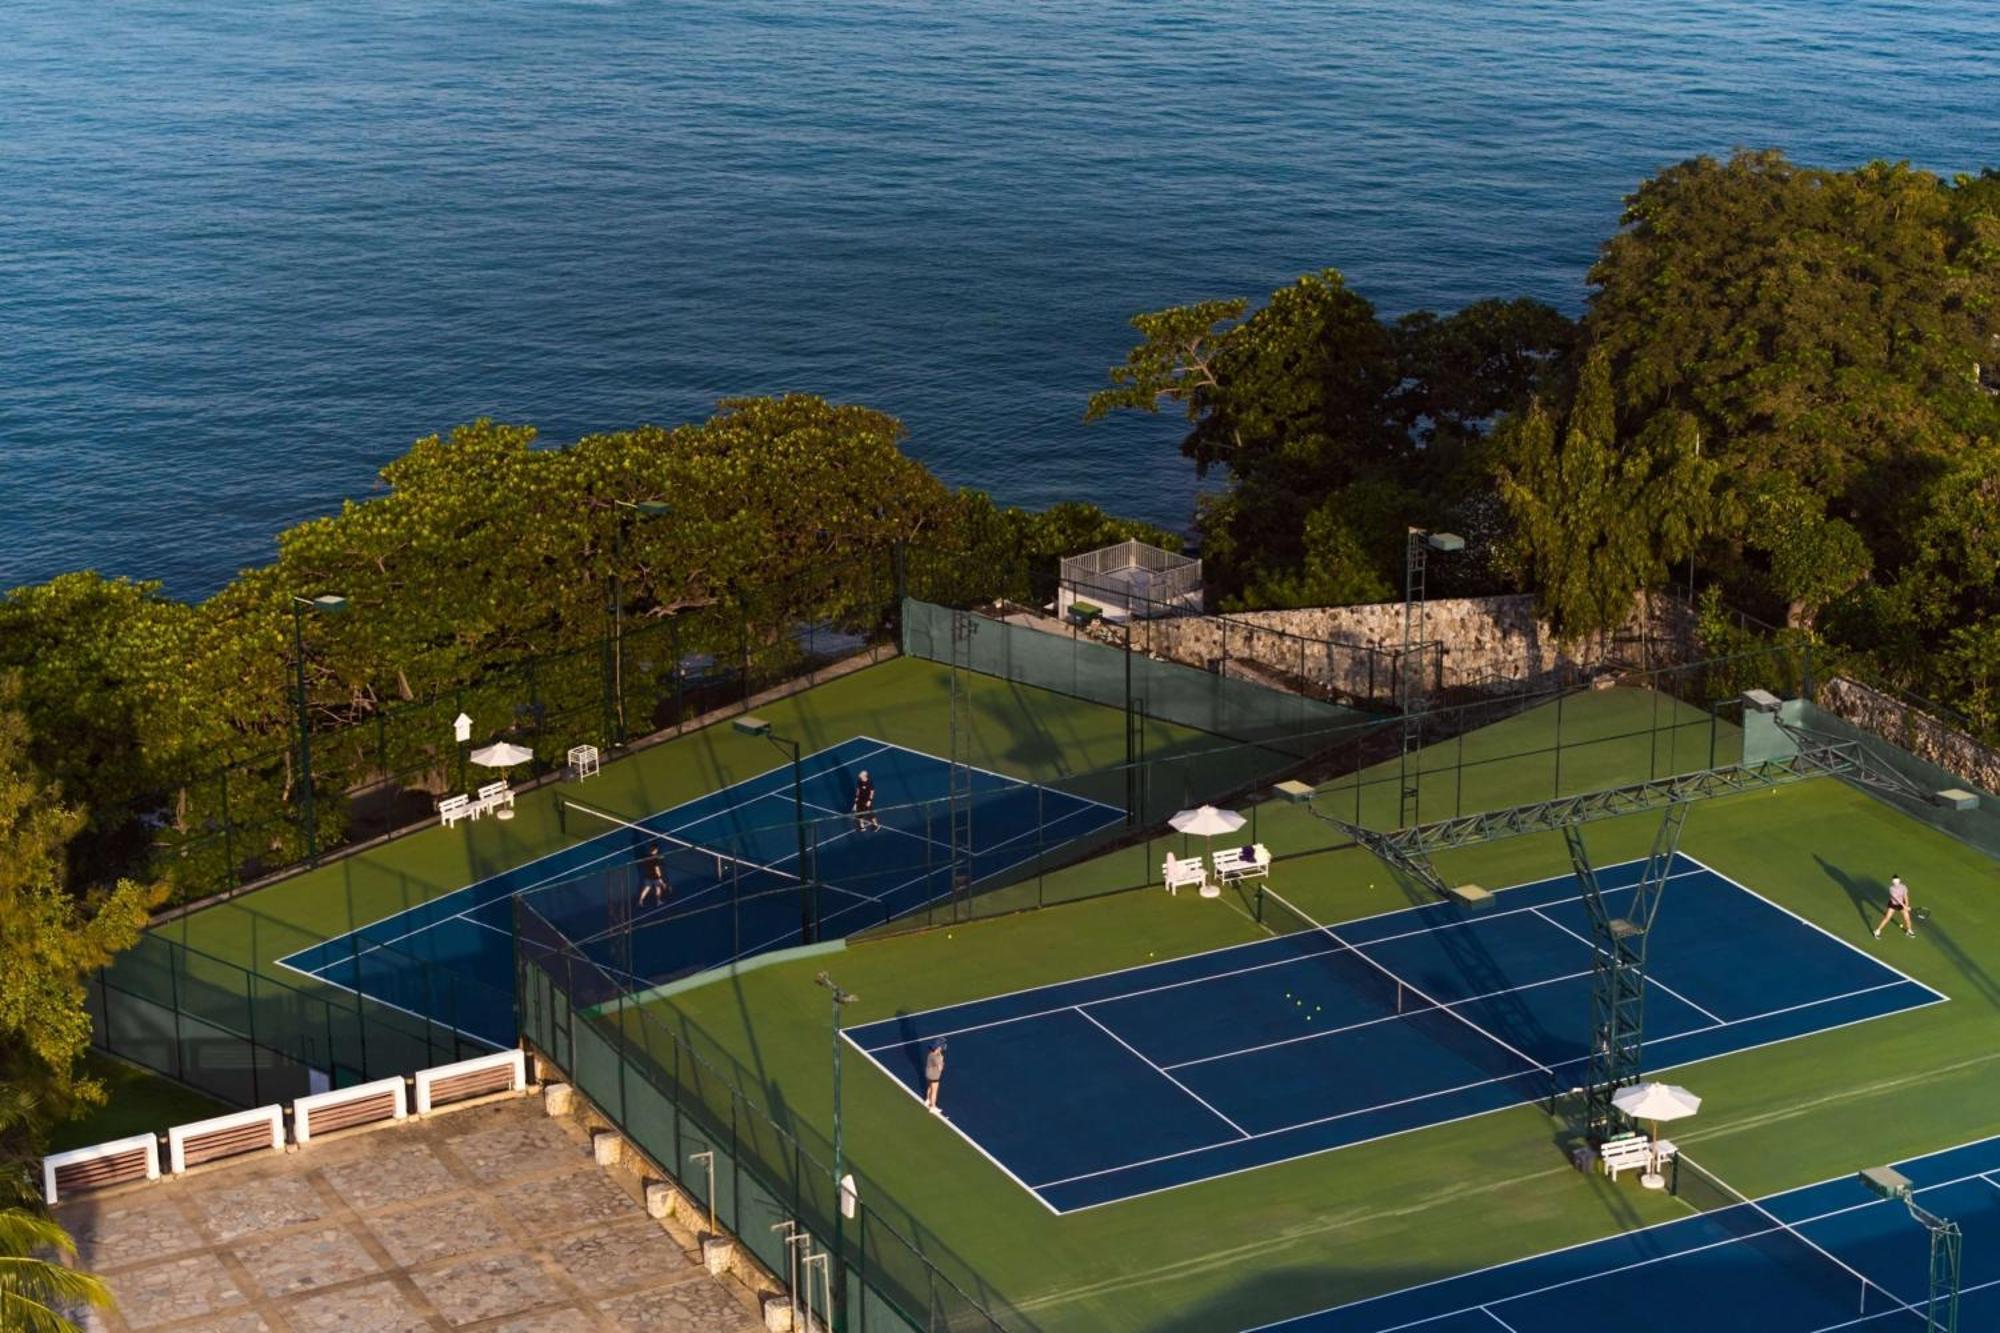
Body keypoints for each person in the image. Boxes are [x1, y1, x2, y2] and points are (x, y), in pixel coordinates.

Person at [1873, 874, 1915, 938]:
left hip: (1902, 904)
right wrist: (1904, 906)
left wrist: (1907, 905)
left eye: (1897, 881)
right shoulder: (1891, 889)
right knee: (1887, 918)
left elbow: (1905, 896)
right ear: (1892, 882)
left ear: (1899, 880)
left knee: (1907, 918)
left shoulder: (1904, 887)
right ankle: (1877, 931)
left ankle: (1909, 930)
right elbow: (1897, 899)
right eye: (1894, 881)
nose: (1896, 882)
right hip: (1893, 904)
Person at [637, 841, 672, 909]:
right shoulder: (656, 859)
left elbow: (649, 859)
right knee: (658, 888)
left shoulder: (646, 857)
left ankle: (640, 901)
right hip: (655, 876)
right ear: (656, 850)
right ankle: (658, 901)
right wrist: (660, 878)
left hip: (647, 875)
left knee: (646, 889)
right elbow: (657, 869)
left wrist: (659, 857)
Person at [923, 1039, 946, 1114]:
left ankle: (927, 1100)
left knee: (929, 1087)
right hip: (934, 1076)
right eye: (941, 1047)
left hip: (928, 1074)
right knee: (934, 1092)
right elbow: (940, 1069)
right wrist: (942, 1060)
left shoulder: (930, 1054)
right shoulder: (937, 1057)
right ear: (938, 1048)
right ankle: (933, 1107)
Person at [853, 769, 880, 833]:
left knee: (870, 814)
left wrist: (869, 801)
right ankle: (862, 826)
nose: (859, 775)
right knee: (859, 813)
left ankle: (876, 825)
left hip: (866, 801)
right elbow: (858, 790)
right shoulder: (859, 781)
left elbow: (872, 792)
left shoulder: (869, 782)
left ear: (865, 776)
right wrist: (856, 799)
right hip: (860, 800)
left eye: (861, 775)